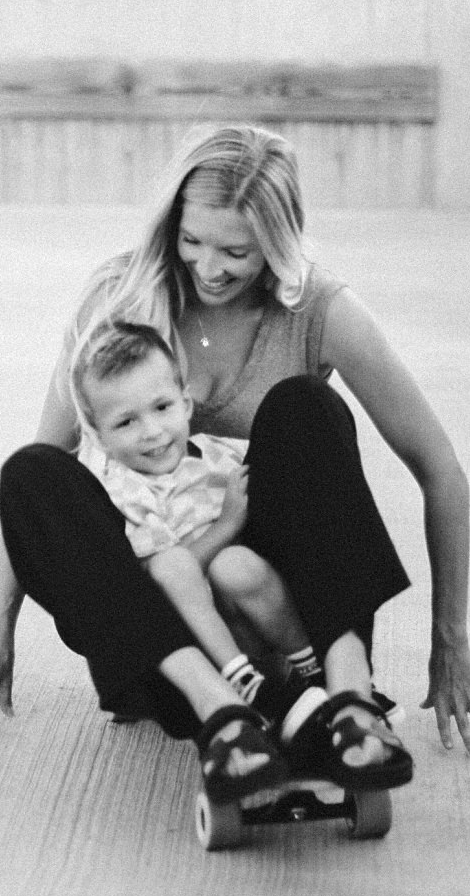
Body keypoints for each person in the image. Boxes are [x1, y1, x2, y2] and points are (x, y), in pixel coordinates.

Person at [0, 123, 470, 786]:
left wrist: (451, 645)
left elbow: (441, 469)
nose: (209, 268)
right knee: (31, 472)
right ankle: (222, 717)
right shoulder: (119, 299)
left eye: (236, 250)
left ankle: (351, 703)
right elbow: (44, 478)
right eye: (193, 241)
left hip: (276, 608)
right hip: (154, 623)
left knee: (307, 410)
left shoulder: (317, 308)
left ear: (278, 239)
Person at [74, 320, 368, 770]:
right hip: (194, 646)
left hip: (261, 624)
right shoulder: (121, 495)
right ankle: (243, 681)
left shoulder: (220, 456)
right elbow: (162, 581)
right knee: (176, 563)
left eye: (162, 407)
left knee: (236, 566)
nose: (152, 431)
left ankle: (314, 670)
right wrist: (228, 524)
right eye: (127, 421)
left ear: (186, 402)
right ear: (99, 437)